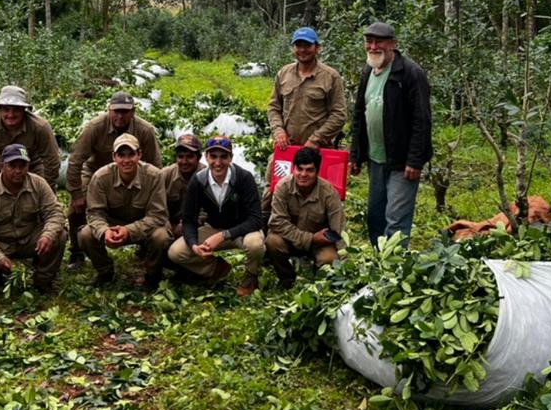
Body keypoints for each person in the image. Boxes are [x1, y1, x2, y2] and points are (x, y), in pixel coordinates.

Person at [348, 21, 432, 248]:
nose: (373, 46)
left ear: (392, 44)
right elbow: (359, 115)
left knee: (396, 219)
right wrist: (355, 154)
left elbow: (421, 120)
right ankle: (379, 263)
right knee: (375, 216)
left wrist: (414, 160)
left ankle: (395, 270)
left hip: (401, 161)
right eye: (369, 41)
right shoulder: (368, 71)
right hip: (376, 160)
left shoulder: (410, 73)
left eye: (380, 41)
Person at [66, 92, 162, 265]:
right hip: (97, 173)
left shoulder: (144, 130)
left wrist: (152, 185)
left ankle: (144, 243)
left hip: (134, 171)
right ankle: (77, 251)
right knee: (76, 210)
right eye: (116, 111)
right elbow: (75, 160)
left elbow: (155, 162)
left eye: (124, 112)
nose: (119, 116)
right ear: (109, 110)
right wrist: (76, 194)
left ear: (133, 112)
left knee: (146, 207)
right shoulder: (95, 126)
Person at [0, 144, 66, 294]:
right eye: (12, 166)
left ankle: (43, 280)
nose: (18, 171)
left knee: (59, 235)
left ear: (28, 166)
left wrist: (47, 235)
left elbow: (55, 213)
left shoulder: (39, 184)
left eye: (22, 166)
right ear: (2, 166)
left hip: (29, 239)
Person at [169, 136, 266, 296]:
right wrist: (194, 245)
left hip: (241, 230)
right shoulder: (199, 180)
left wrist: (224, 235)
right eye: (213, 157)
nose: (218, 163)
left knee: (255, 244)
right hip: (213, 228)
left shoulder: (244, 178)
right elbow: (189, 220)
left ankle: (251, 276)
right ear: (206, 157)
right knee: (176, 252)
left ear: (231, 158)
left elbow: (256, 219)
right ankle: (216, 269)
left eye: (223, 157)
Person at [80, 133, 171, 288]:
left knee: (161, 236)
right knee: (86, 234)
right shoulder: (101, 177)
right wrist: (104, 231)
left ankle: (152, 276)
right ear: (114, 157)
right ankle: (105, 272)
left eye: (131, 154)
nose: (126, 160)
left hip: (144, 225)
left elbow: (158, 215)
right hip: (113, 225)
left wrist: (128, 231)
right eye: (121, 155)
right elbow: (94, 213)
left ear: (139, 155)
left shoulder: (154, 176)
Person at [265, 146, 346, 287]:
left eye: (309, 170)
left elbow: (339, 229)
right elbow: (277, 222)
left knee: (330, 259)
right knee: (272, 241)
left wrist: (345, 262)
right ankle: (287, 280)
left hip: (319, 242)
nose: (303, 174)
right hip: (291, 239)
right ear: (294, 169)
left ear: (317, 172)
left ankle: (319, 283)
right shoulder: (282, 187)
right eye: (299, 169)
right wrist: (309, 238)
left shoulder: (329, 192)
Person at [268, 27, 347, 150]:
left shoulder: (330, 76)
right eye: (298, 45)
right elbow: (274, 107)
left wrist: (316, 139)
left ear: (317, 48)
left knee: (313, 169)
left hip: (318, 149)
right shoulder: (284, 73)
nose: (302, 50)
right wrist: (279, 131)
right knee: (272, 168)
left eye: (307, 45)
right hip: (287, 147)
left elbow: (339, 115)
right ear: (293, 49)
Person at [0, 85, 62, 189]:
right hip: (1, 160)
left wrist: (46, 188)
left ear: (24, 110)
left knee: (42, 193)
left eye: (16, 110)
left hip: (32, 162)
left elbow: (52, 160)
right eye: (6, 109)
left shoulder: (40, 127)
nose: (11, 114)